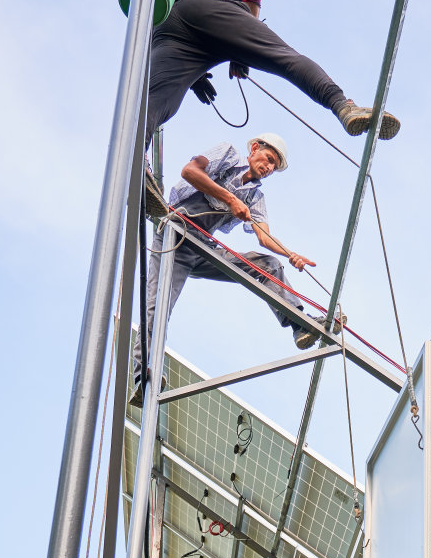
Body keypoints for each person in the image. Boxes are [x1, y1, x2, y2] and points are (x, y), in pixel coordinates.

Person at [144, 0, 400, 168]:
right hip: (204, 7)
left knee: (157, 102)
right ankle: (343, 106)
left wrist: (195, 80)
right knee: (285, 59)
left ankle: (136, 157)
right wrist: (242, 49)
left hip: (166, 27)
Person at [132, 131, 333, 402]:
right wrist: (230, 199)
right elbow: (190, 171)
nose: (269, 167)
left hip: (204, 248)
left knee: (267, 265)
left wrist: (290, 254)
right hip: (175, 237)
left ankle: (299, 324)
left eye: (274, 166)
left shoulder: (255, 197)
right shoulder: (226, 156)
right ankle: (142, 377)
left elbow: (263, 236)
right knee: (157, 307)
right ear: (254, 148)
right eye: (268, 158)